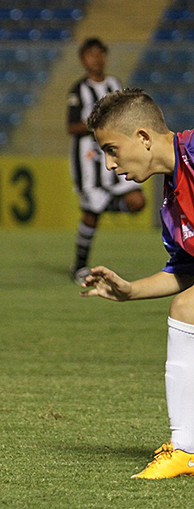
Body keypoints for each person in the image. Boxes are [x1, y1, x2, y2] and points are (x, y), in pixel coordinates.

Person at [81, 88, 194, 479]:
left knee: (187, 308)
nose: (110, 165)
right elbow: (184, 271)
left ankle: (187, 451)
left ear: (143, 138)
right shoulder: (172, 201)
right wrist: (129, 290)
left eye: (113, 149)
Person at [67, 37, 145, 285]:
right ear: (82, 60)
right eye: (91, 54)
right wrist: (98, 125)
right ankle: (79, 266)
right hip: (88, 161)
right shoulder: (78, 90)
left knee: (137, 202)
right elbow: (71, 126)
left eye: (100, 54)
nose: (96, 59)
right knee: (91, 214)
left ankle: (105, 204)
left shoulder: (114, 84)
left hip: (115, 157)